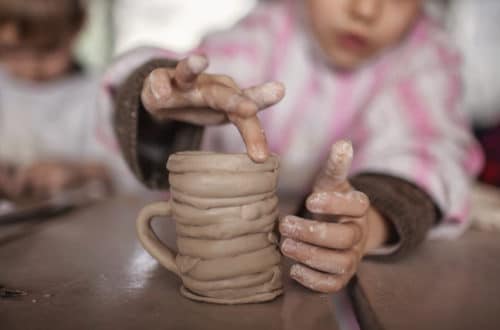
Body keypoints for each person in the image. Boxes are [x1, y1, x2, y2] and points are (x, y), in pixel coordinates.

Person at [103, 0, 483, 294]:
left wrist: (366, 222)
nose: (366, 10)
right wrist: (160, 101)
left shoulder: (424, 56)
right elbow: (191, 79)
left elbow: (428, 149)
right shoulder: (264, 32)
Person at [0, 0, 141, 200]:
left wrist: (81, 173)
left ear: (78, 26)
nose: (30, 67)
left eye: (47, 50)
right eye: (11, 51)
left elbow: (131, 177)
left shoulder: (99, 94)